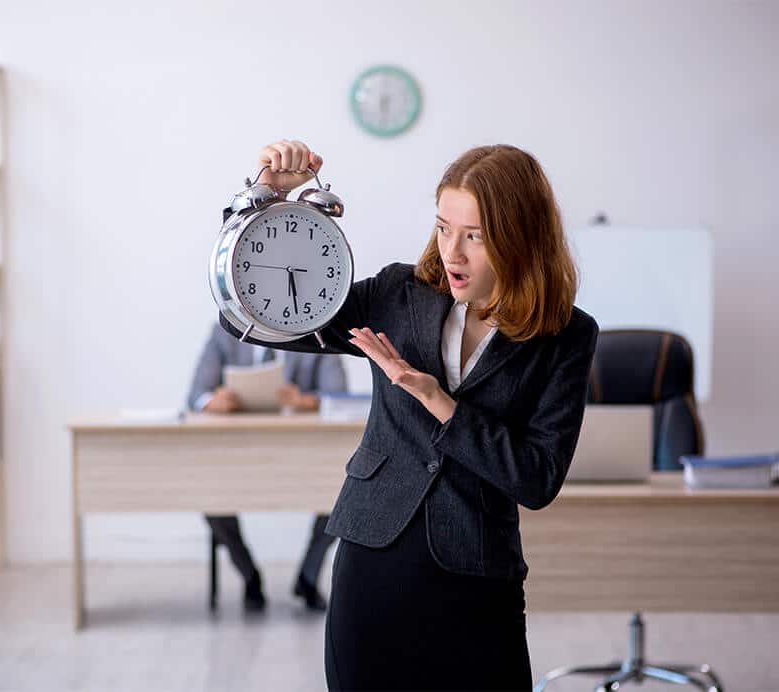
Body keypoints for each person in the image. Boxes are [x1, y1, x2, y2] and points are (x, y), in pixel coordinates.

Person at [218, 139, 599, 691]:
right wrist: (263, 203)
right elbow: (251, 317)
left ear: (522, 237)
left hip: (477, 570)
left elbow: (537, 478)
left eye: (476, 236)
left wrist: (440, 403)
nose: (453, 252)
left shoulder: (565, 334)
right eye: (445, 227)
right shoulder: (399, 293)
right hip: (373, 556)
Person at [187, 323, 347, 611]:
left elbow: (339, 396)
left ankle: (308, 577)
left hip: (303, 453)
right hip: (237, 452)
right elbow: (197, 393)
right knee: (210, 499)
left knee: (341, 493)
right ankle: (249, 575)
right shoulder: (224, 333)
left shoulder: (317, 332)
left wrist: (308, 401)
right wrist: (212, 401)